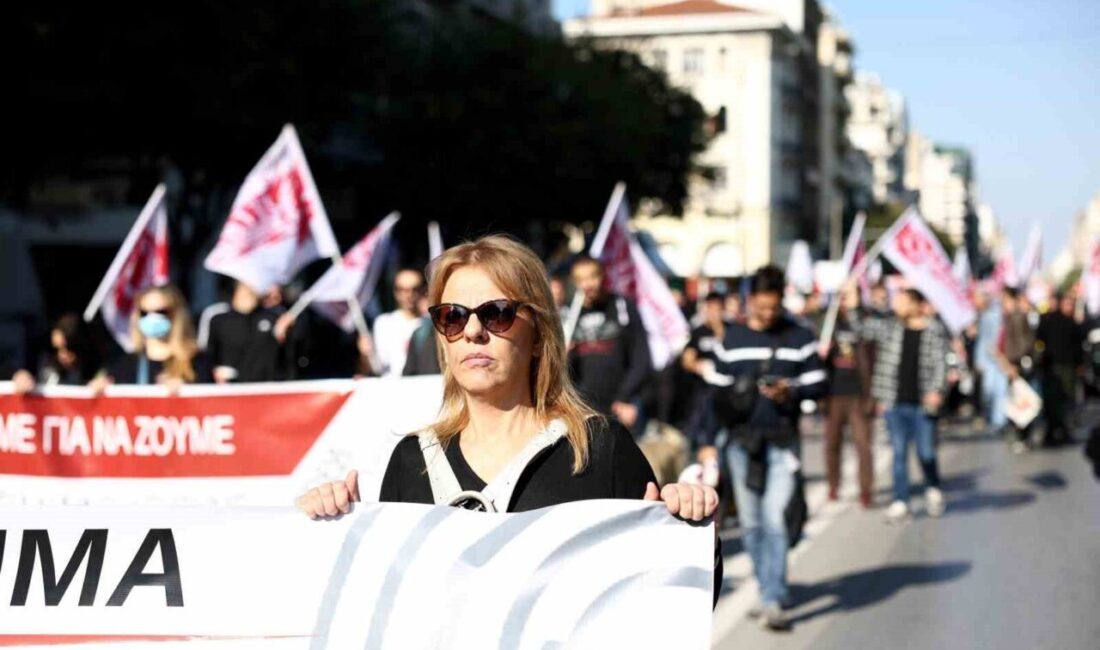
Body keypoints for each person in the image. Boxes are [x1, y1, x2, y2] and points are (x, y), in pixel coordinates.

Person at [295, 235, 721, 593]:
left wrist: (688, 528)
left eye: (497, 314)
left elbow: (671, 603)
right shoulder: (412, 462)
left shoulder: (599, 447)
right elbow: (382, 602)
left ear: (538, 334)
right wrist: (335, 528)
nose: (473, 332)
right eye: (452, 317)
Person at [712, 265, 826, 630]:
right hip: (741, 444)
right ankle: (766, 587)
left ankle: (774, 597)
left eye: (773, 308)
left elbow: (818, 382)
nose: (766, 315)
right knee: (750, 523)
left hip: (782, 442)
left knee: (775, 518)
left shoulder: (799, 335)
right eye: (760, 308)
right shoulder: (731, 339)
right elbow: (714, 392)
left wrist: (789, 390)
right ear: (748, 303)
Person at [856, 288, 948, 523]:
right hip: (895, 403)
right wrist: (854, 304)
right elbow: (861, 329)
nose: (895, 304)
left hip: (923, 405)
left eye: (901, 300)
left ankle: (933, 487)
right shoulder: (891, 327)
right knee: (899, 454)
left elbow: (940, 365)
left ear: (916, 304)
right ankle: (901, 501)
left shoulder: (934, 330)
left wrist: (936, 391)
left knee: (926, 452)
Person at [567, 256, 651, 430]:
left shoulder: (623, 307)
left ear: (603, 276)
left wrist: (626, 397)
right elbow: (563, 370)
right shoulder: (570, 315)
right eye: (581, 279)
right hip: (583, 407)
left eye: (592, 277)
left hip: (621, 405)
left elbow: (641, 357)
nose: (588, 284)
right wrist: (563, 355)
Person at [820, 285, 874, 508]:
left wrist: (871, 396)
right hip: (833, 394)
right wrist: (822, 351)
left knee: (862, 444)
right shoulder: (826, 324)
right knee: (832, 443)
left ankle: (865, 490)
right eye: (840, 298)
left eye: (847, 298)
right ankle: (834, 484)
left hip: (857, 394)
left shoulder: (863, 323)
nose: (843, 302)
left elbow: (872, 356)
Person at [103, 284, 210, 387]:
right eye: (144, 313)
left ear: (175, 314)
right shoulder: (126, 364)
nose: (152, 318)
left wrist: (184, 390)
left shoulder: (197, 361)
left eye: (160, 312)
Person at [206, 281, 288, 383]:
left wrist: (287, 335)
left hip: (266, 388)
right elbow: (207, 356)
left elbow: (289, 357)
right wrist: (214, 374)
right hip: (229, 389)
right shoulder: (217, 317)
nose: (249, 291)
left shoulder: (274, 317)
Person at [11, 313, 103, 393]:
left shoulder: (94, 368)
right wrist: (23, 377)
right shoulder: (42, 362)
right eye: (56, 349)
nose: (62, 355)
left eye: (68, 348)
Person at [1036, 292, 1083, 446]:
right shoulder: (1049, 320)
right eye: (1067, 304)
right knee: (1051, 401)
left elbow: (1078, 347)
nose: (1070, 307)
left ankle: (1064, 431)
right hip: (1051, 367)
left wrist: (1079, 365)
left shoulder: (1073, 324)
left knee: (1067, 400)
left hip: (1068, 367)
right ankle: (1051, 431)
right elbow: (1039, 339)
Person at [996, 286, 1036, 453]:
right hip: (1012, 365)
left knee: (1022, 401)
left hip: (1017, 366)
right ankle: (1021, 435)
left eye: (1004, 299)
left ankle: (1023, 436)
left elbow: (1022, 344)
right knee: (1017, 401)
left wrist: (1013, 364)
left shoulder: (1017, 316)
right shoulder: (1009, 317)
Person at [372, 268, 427, 378]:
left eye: (414, 289)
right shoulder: (384, 323)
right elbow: (377, 367)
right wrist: (366, 355)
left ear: (423, 290)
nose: (409, 294)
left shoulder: (431, 324)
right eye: (402, 289)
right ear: (395, 292)